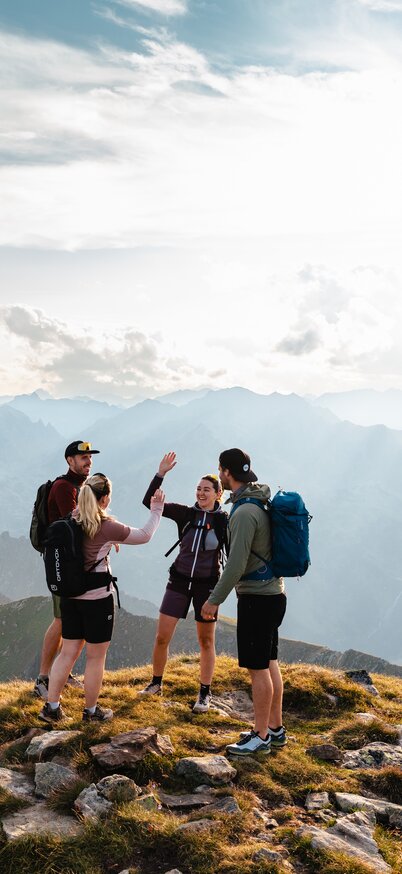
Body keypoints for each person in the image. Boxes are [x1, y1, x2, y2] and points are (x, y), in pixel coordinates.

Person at [38, 473, 165, 723]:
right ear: (105, 498)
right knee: (96, 657)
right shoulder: (106, 526)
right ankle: (91, 712)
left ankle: (51, 708)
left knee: (68, 653)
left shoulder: (71, 519)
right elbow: (144, 535)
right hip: (97, 601)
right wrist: (157, 510)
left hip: (70, 598)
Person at [201, 448, 287, 756]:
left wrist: (213, 601)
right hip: (274, 593)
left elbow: (236, 565)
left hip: (256, 599)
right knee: (270, 662)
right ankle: (275, 729)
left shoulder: (243, 513)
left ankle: (260, 735)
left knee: (257, 669)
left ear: (225, 472)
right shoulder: (257, 501)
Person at [139, 452, 228, 713]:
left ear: (218, 494)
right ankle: (156, 683)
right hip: (178, 581)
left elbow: (233, 556)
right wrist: (160, 474)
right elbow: (149, 502)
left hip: (207, 586)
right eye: (198, 489)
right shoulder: (185, 514)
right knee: (161, 638)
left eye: (207, 490)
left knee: (206, 642)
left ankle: (204, 693)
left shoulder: (224, 521)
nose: (201, 493)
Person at [33, 440, 100, 700]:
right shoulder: (64, 488)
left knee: (69, 621)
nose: (88, 461)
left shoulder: (78, 487)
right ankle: (43, 678)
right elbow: (77, 523)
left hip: (71, 563)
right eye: (82, 457)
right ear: (69, 460)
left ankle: (61, 673)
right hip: (62, 565)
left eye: (89, 457)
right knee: (62, 619)